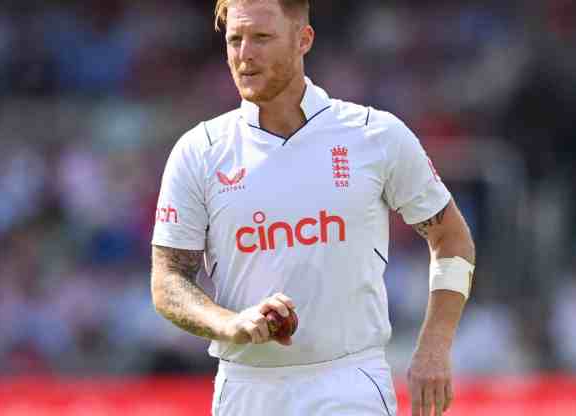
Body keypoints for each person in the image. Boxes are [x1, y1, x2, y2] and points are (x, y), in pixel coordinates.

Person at [150, 1, 476, 415]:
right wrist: (229, 323)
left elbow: (452, 240)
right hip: (245, 387)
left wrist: (434, 346)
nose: (244, 54)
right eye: (235, 39)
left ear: (303, 40)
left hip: (349, 380)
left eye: (262, 38)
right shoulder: (200, 151)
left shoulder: (374, 134)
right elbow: (167, 282)